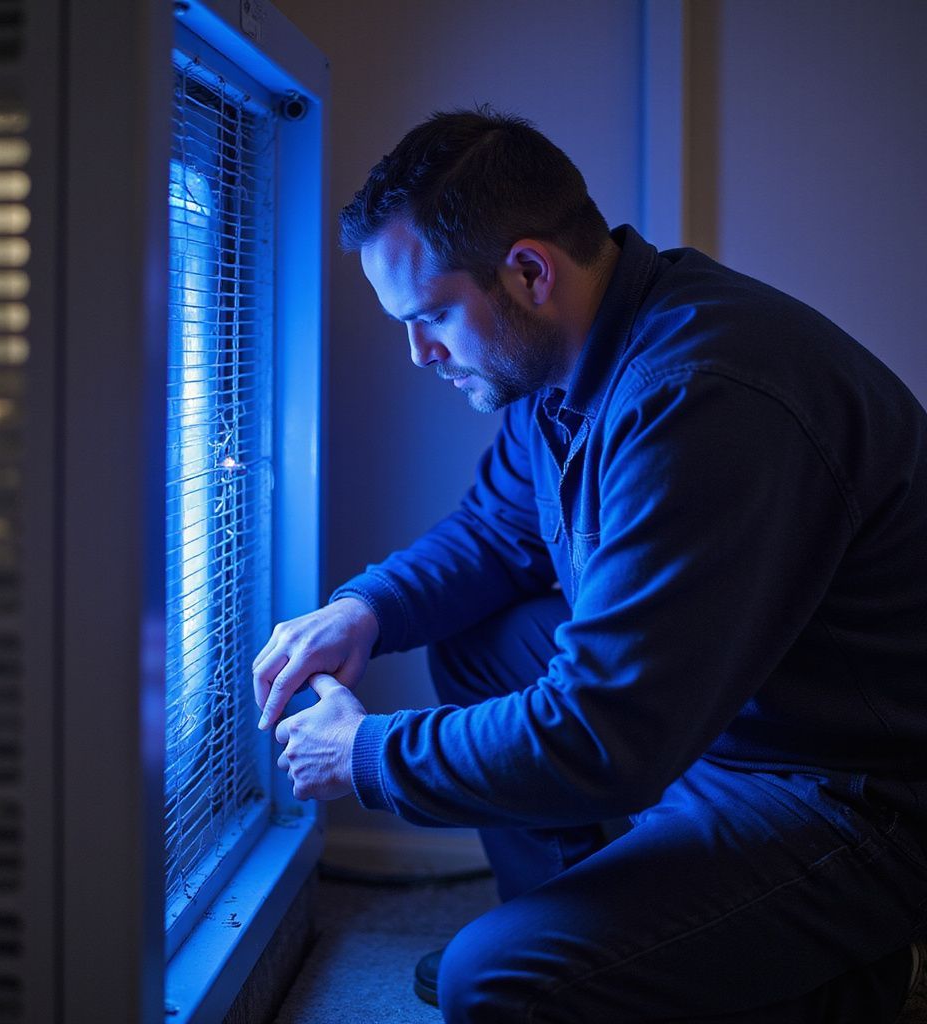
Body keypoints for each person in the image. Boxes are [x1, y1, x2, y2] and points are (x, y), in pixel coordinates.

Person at [251, 108, 927, 1023]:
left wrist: (365, 754)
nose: (420, 354)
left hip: (850, 796)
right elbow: (498, 532)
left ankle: (846, 966)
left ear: (529, 271)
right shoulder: (568, 358)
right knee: (482, 643)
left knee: (494, 981)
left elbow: (605, 736)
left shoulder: (700, 397)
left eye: (434, 315)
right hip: (730, 718)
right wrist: (365, 608)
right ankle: (614, 940)